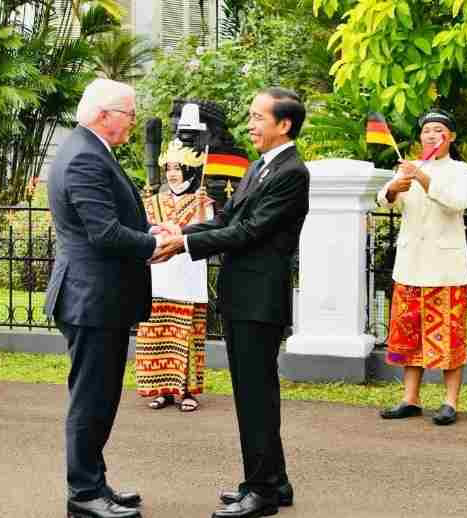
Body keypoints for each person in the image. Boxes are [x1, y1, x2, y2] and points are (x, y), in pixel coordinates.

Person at [153, 87, 309, 518]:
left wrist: (183, 244)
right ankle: (273, 482)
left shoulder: (292, 172)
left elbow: (249, 232)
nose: (251, 124)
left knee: (257, 397)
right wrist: (182, 234)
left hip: (259, 300)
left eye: (259, 117)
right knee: (253, 394)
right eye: (251, 116)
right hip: (243, 296)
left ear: (284, 125)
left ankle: (260, 492)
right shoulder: (262, 165)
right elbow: (228, 219)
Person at [43, 78, 169, 518]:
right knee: (91, 399)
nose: (133, 122)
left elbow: (111, 223)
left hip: (96, 296)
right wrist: (154, 245)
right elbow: (104, 233)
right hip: (91, 298)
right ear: (103, 115)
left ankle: (94, 483)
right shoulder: (84, 158)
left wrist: (146, 233)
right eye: (129, 114)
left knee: (98, 396)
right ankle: (83, 495)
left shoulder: (88, 149)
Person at [377, 108, 467, 426]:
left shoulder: (461, 171)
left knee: (450, 336)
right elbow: (385, 198)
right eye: (426, 131)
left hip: (446, 269)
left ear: (451, 137)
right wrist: (395, 187)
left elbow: (458, 201)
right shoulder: (408, 166)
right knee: (409, 335)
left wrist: (421, 177)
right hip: (410, 266)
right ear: (420, 136)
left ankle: (449, 402)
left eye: (438, 130)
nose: (431, 135)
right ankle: (410, 399)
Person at [135, 139, 214, 412]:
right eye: (168, 168)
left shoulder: (202, 201)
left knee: (188, 334)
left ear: (189, 171)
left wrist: (203, 210)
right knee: (158, 335)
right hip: (160, 274)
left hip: (188, 275)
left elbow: (208, 234)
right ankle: (163, 390)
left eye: (177, 168)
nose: (172, 173)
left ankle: (188, 391)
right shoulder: (153, 201)